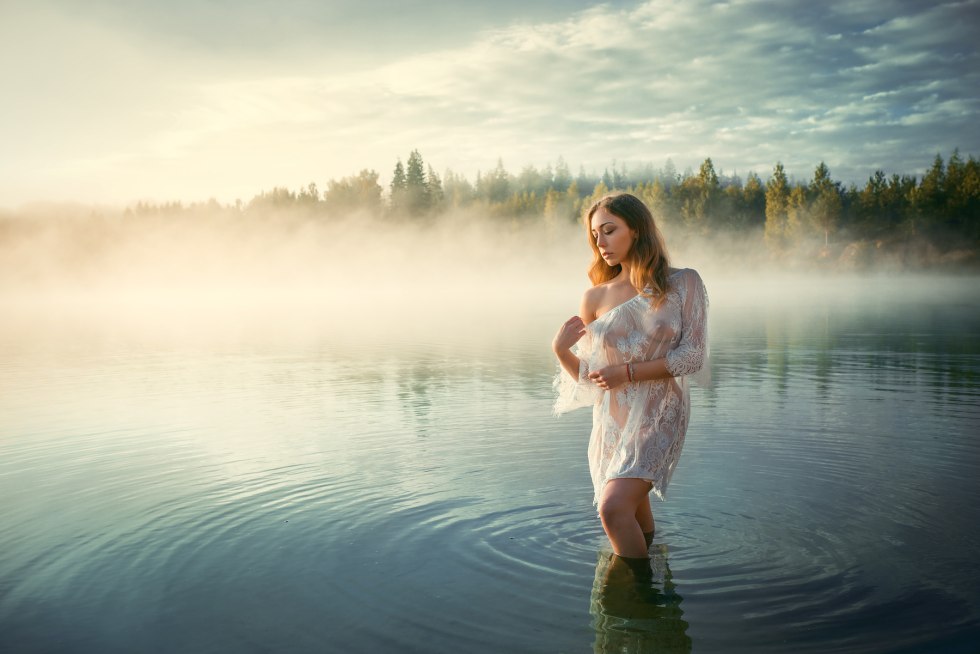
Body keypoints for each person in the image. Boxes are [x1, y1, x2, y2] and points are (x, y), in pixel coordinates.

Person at [552, 192, 708, 562]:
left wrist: (627, 372)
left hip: (660, 415)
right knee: (631, 509)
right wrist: (561, 352)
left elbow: (692, 357)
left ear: (635, 229)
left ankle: (639, 597)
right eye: (595, 235)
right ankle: (654, 566)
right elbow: (592, 381)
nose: (600, 242)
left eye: (609, 230)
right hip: (613, 421)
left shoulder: (684, 283)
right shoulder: (594, 298)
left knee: (613, 509)